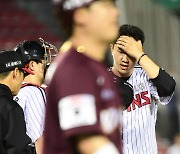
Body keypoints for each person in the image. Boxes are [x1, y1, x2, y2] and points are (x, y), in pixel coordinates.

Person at [44, 0, 123, 154]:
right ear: (80, 15)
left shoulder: (93, 65)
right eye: (106, 6)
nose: (116, 12)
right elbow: (89, 142)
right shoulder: (74, 68)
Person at [110, 24, 176, 154]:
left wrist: (140, 55)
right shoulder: (100, 80)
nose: (125, 59)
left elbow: (168, 87)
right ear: (112, 48)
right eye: (121, 51)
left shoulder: (147, 75)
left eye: (130, 53)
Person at [13, 39, 57, 154]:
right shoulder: (34, 92)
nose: (47, 65)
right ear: (32, 65)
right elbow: (40, 139)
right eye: (44, 60)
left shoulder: (16, 91)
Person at [0, 50, 33, 154]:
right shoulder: (10, 107)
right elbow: (17, 150)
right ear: (15, 73)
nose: (23, 79)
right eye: (23, 73)